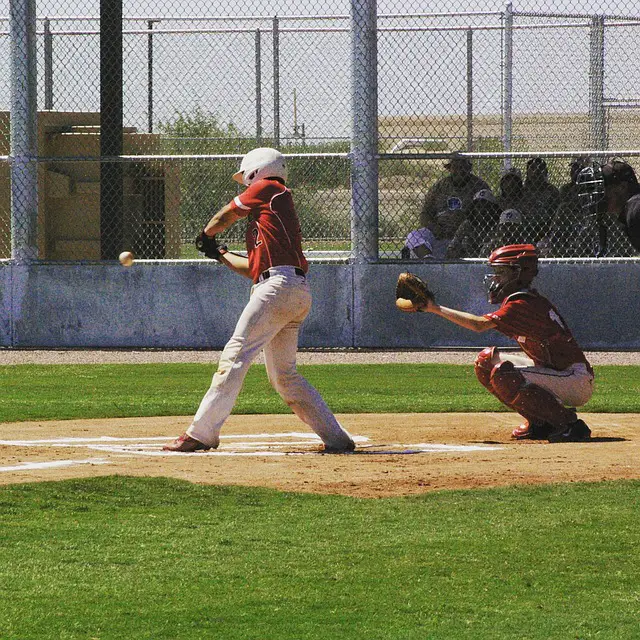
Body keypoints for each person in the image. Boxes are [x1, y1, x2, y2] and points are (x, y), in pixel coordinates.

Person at [164, 147, 355, 453]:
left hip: (279, 287)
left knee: (236, 355)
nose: (246, 185)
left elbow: (224, 215)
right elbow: (253, 271)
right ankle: (336, 438)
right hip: (290, 289)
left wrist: (206, 233)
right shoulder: (268, 219)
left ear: (257, 171)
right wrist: (221, 253)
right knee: (284, 376)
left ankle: (201, 433)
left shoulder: (270, 188)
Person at [398, 244, 594, 442]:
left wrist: (434, 308)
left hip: (574, 378)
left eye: (501, 272)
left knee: (504, 374)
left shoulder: (523, 304)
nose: (496, 278)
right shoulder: (520, 300)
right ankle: (541, 422)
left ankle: (568, 424)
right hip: (555, 372)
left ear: (519, 274)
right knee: (486, 361)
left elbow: (478, 325)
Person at [420, 153, 490, 238]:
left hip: (469, 232)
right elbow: (425, 212)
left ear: (469, 169)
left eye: (463, 167)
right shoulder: (440, 186)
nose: (460, 171)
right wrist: (434, 228)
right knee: (415, 236)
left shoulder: (479, 186)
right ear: (449, 169)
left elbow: (488, 212)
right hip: (440, 231)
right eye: (456, 167)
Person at [446, 188, 503, 259]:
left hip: (491, 259)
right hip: (468, 260)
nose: (482, 210)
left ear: (493, 209)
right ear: (473, 209)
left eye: (486, 207)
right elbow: (453, 245)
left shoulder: (499, 225)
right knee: (465, 241)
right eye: (478, 207)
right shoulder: (467, 224)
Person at [597, 158, 640, 253]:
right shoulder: (630, 209)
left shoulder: (635, 209)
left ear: (622, 187)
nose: (601, 195)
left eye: (605, 189)